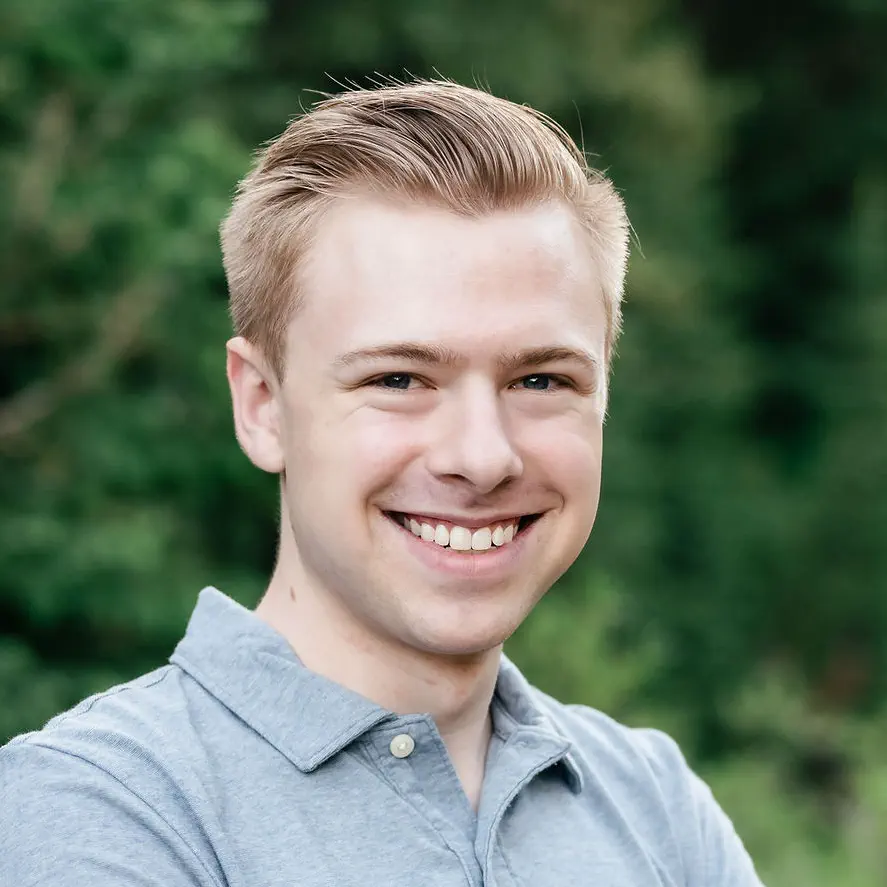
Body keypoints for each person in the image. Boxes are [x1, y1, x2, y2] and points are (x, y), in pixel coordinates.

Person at [0, 79, 763, 886]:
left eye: (540, 380)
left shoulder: (656, 807)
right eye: (398, 379)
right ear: (262, 405)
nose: (482, 456)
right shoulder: (97, 810)